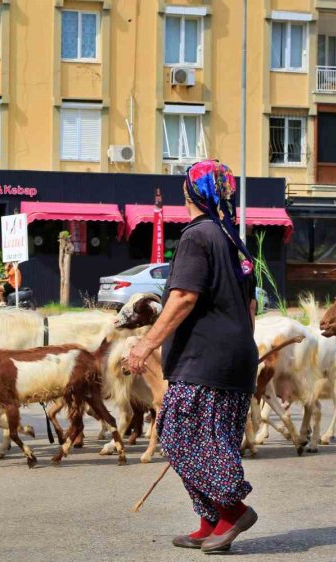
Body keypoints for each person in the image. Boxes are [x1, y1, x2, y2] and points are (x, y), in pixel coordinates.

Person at [126, 160, 259, 554]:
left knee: (178, 435)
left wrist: (144, 345)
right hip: (235, 360)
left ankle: (233, 512)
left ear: (189, 192)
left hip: (205, 361)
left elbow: (184, 296)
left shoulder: (197, 236)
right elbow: (250, 306)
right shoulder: (233, 239)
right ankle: (212, 523)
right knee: (214, 440)